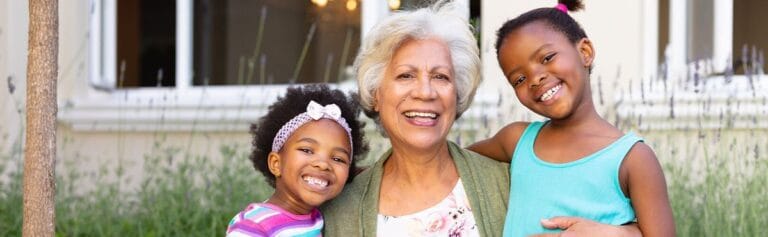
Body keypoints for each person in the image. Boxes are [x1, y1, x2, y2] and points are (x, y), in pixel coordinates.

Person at [322, 1, 642, 236]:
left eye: (441, 77)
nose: (425, 92)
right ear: (377, 93)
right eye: (406, 75)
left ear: (457, 96)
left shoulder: (515, 180)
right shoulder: (339, 202)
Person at [467, 0, 675, 236]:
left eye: (547, 58)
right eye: (519, 79)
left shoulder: (633, 158)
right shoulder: (516, 141)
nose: (534, 79)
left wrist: (616, 233)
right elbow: (453, 162)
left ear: (584, 52)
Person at [227, 84, 369, 236]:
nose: (323, 164)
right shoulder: (254, 225)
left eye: (338, 159)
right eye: (307, 150)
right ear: (276, 163)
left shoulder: (320, 217)